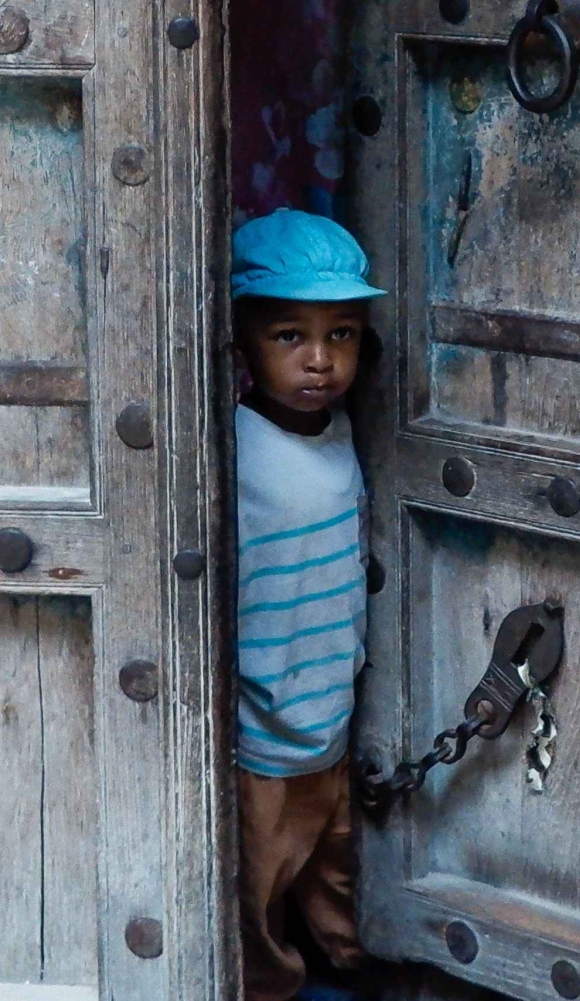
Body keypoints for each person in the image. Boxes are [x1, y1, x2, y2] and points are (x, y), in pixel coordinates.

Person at [231, 208, 386, 1001]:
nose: (320, 359)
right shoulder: (233, 445)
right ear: (242, 342)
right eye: (290, 335)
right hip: (260, 732)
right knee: (254, 896)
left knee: (339, 876)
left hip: (331, 716)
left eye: (342, 334)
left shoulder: (345, 429)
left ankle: (356, 973)